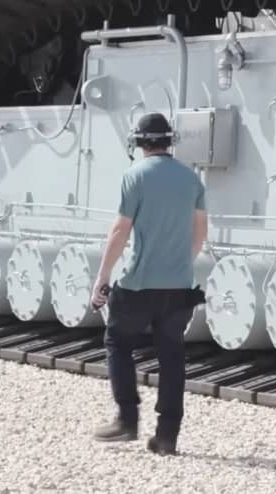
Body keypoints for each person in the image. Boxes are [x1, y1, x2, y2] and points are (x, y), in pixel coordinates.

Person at [89, 112, 207, 456]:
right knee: (172, 355)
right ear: (169, 141)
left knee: (117, 341)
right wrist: (180, 264)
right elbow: (200, 233)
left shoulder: (134, 176)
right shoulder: (192, 180)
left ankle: (127, 419)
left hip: (139, 284)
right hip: (181, 286)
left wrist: (102, 277)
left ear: (140, 142)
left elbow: (120, 231)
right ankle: (167, 436)